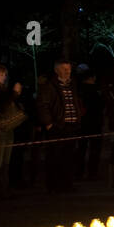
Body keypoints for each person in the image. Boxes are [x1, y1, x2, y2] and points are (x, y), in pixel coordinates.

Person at [36, 59, 83, 192]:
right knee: (55, 156)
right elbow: (42, 105)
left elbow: (75, 101)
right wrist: (49, 123)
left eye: (69, 69)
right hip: (57, 126)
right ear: (57, 70)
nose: (67, 72)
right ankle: (54, 185)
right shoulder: (49, 85)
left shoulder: (72, 84)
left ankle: (67, 184)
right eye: (64, 69)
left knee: (69, 156)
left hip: (71, 125)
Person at [0, 66, 22, 194]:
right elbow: (1, 106)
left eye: (5, 75)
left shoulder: (2, 89)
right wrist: (14, 93)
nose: (4, 77)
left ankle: (3, 188)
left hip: (8, 127)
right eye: (1, 74)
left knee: (5, 161)